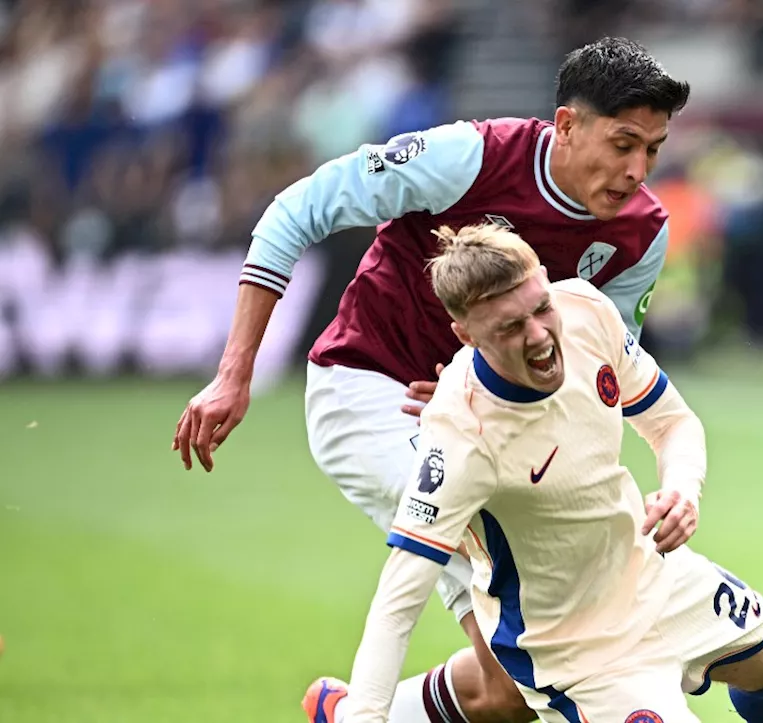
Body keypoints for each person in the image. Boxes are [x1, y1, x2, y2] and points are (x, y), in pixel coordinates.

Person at [172, 37, 690, 723]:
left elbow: (594, 375)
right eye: (623, 144)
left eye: (652, 150)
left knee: (509, 685)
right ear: (566, 126)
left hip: (485, 426)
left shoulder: (642, 234)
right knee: (555, 642)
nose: (637, 169)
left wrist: (481, 389)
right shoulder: (467, 158)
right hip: (370, 392)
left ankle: (346, 712)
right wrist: (232, 376)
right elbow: (295, 211)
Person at [328, 222, 763, 723]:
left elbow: (671, 421)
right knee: (496, 697)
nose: (539, 335)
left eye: (541, 308)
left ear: (544, 279)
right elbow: (399, 595)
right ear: (465, 335)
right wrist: (366, 714)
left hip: (655, 574)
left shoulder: (585, 310)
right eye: (509, 328)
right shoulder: (460, 436)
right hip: (572, 647)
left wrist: (682, 490)